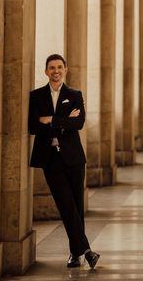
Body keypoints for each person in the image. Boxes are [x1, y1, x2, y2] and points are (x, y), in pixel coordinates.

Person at [28, 54, 100, 269]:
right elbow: (33, 127)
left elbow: (78, 123)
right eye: (51, 67)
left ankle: (74, 254)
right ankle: (87, 251)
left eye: (59, 67)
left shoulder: (74, 95)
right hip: (51, 159)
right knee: (65, 204)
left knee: (76, 206)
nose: (55, 71)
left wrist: (51, 119)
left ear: (66, 69)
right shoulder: (36, 96)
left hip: (74, 159)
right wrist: (64, 121)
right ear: (46, 71)